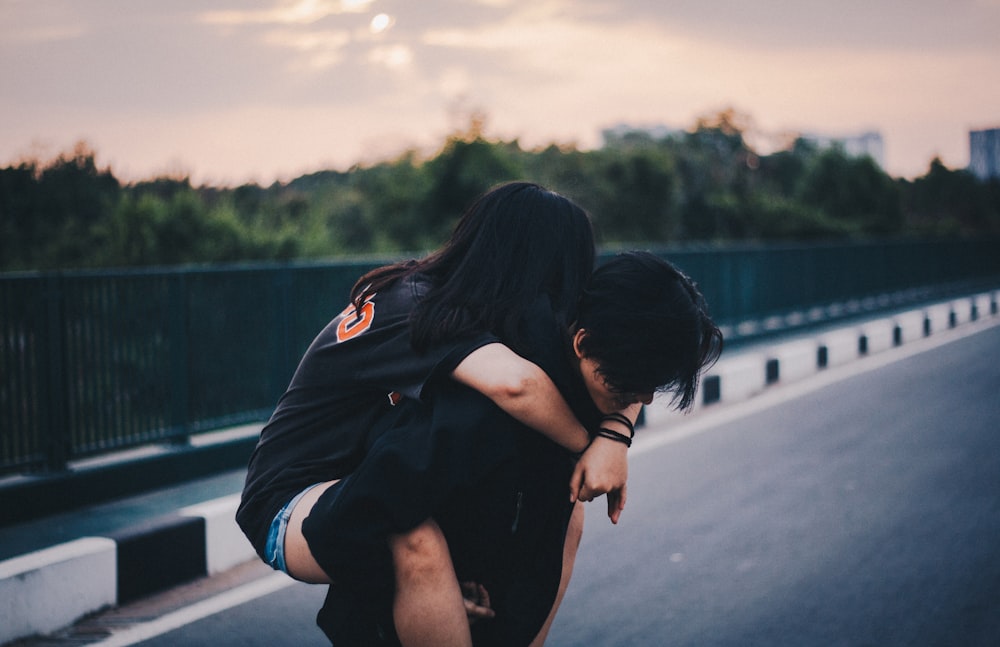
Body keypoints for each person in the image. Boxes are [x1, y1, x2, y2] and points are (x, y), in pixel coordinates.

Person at [236, 182, 636, 646]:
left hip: (378, 482)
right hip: (293, 500)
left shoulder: (488, 309)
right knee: (415, 537)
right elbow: (517, 387)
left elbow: (621, 359)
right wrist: (597, 447)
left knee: (569, 511)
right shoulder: (417, 304)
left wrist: (617, 432)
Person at [309, 251, 723, 646]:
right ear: (582, 344)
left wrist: (615, 434)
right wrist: (427, 587)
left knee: (571, 513)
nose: (645, 399)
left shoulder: (592, 371)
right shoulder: (483, 413)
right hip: (394, 621)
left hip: (497, 599)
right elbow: (355, 513)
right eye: (632, 385)